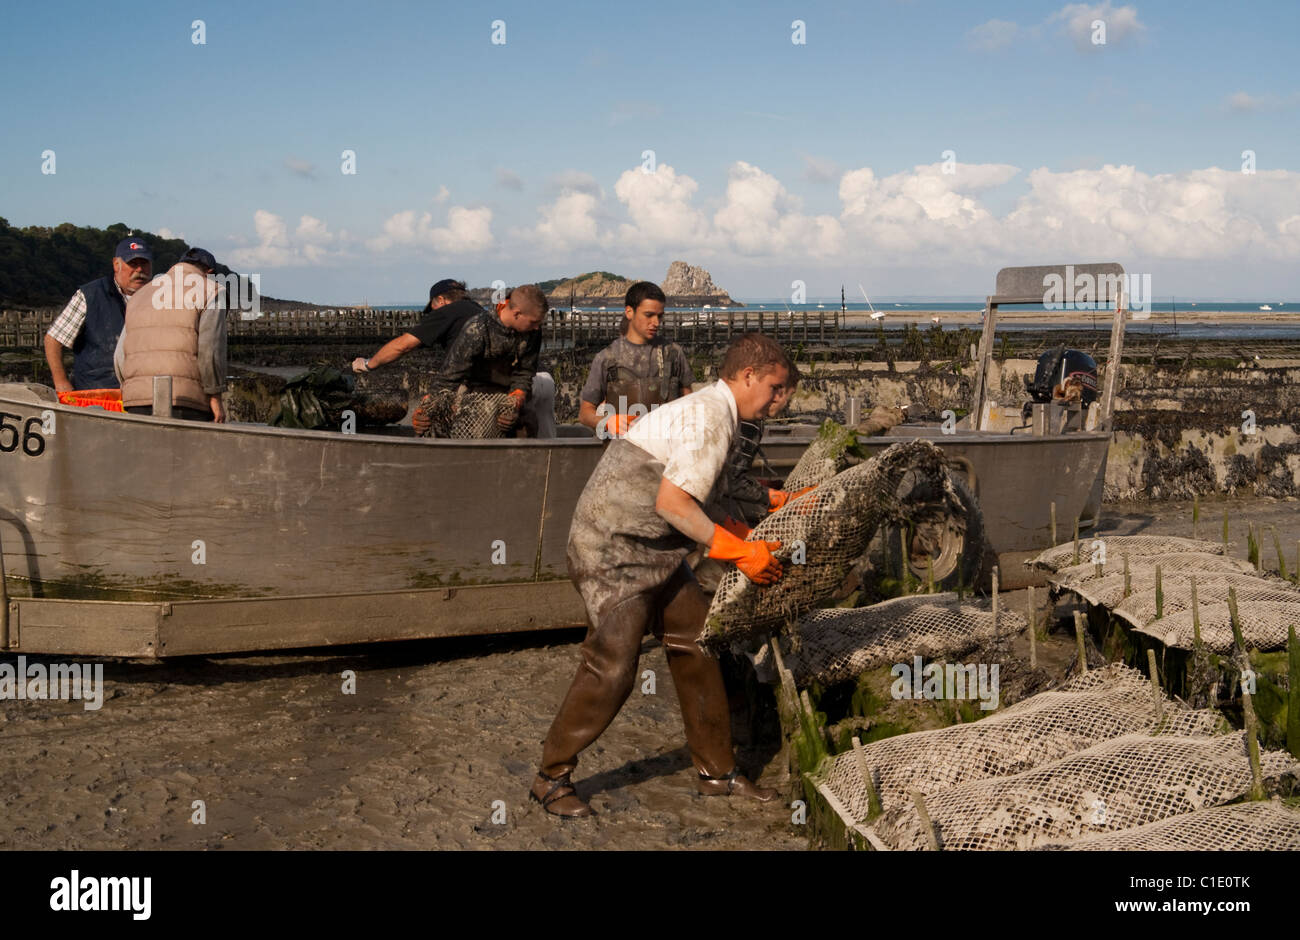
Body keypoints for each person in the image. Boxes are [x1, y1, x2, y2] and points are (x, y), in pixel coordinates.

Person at [530, 333, 794, 818]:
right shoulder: (711, 417)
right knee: (613, 667)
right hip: (612, 549)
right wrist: (739, 553)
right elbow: (673, 504)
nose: (780, 400)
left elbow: (703, 499)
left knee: (698, 645)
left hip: (656, 548)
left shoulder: (718, 412)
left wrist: (755, 525)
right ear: (749, 375)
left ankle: (718, 773)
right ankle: (550, 777)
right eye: (776, 388)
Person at [417, 284, 553, 437]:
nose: (537, 327)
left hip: (508, 392)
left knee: (528, 426)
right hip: (475, 392)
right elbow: (451, 375)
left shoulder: (532, 331)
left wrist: (515, 402)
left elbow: (525, 372)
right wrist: (427, 408)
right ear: (517, 314)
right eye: (534, 322)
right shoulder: (478, 329)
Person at [114, 247, 227, 422]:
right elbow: (210, 350)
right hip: (187, 401)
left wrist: (131, 388)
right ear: (209, 272)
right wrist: (215, 395)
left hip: (136, 401)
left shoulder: (140, 294)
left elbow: (120, 356)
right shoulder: (211, 290)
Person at [577, 281, 693, 439]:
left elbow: (689, 403)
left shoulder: (673, 353)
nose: (656, 323)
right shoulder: (607, 358)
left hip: (665, 449)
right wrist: (607, 421)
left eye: (659, 316)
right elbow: (585, 413)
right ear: (629, 312)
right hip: (621, 450)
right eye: (649, 315)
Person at [45, 236, 153, 392]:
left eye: (144, 264)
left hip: (142, 395)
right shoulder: (90, 295)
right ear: (117, 265)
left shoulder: (160, 298)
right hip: (95, 394)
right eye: (133, 264)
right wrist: (61, 382)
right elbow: (53, 340)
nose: (139, 270)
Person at [350, 278, 481, 376]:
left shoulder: (447, 311)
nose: (433, 312)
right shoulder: (479, 310)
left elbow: (403, 346)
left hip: (470, 380)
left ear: (441, 300)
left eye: (432, 308)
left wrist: (368, 364)